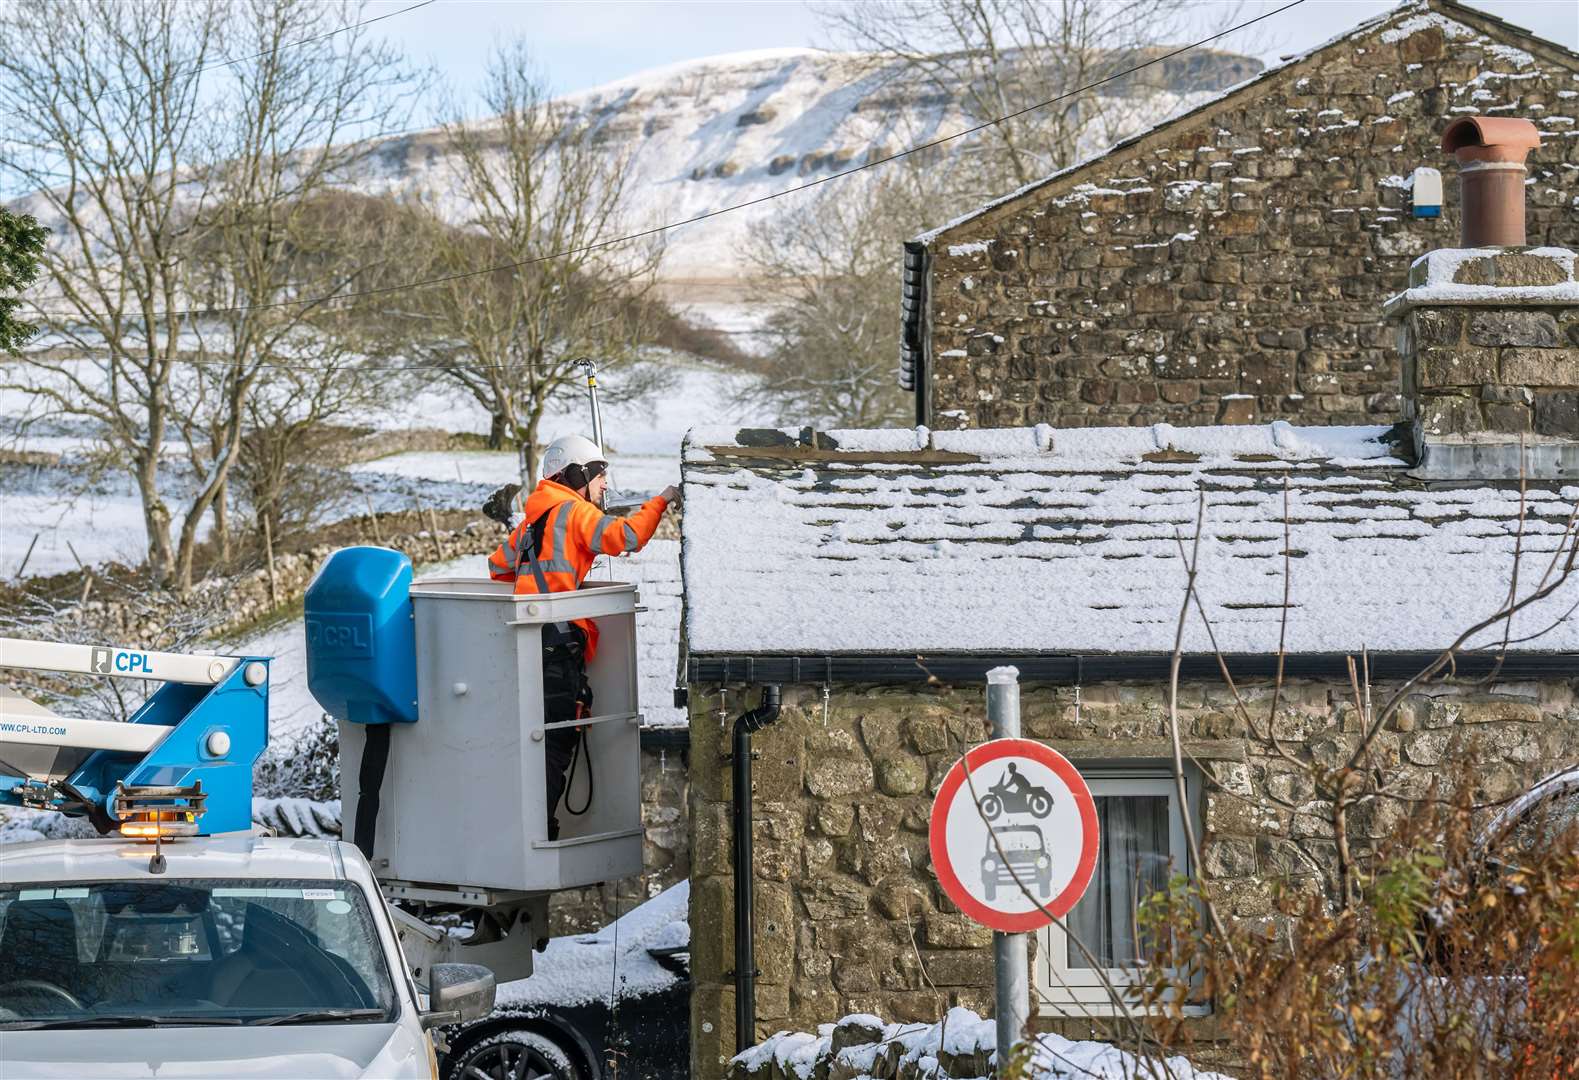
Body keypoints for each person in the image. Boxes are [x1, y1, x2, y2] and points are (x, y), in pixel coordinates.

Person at [487, 434, 679, 839]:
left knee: (531, 740)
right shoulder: (573, 513)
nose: (606, 484)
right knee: (557, 741)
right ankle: (541, 829)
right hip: (557, 648)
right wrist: (661, 500)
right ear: (577, 475)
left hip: (526, 647)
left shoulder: (531, 521)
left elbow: (499, 569)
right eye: (599, 474)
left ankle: (526, 824)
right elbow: (628, 537)